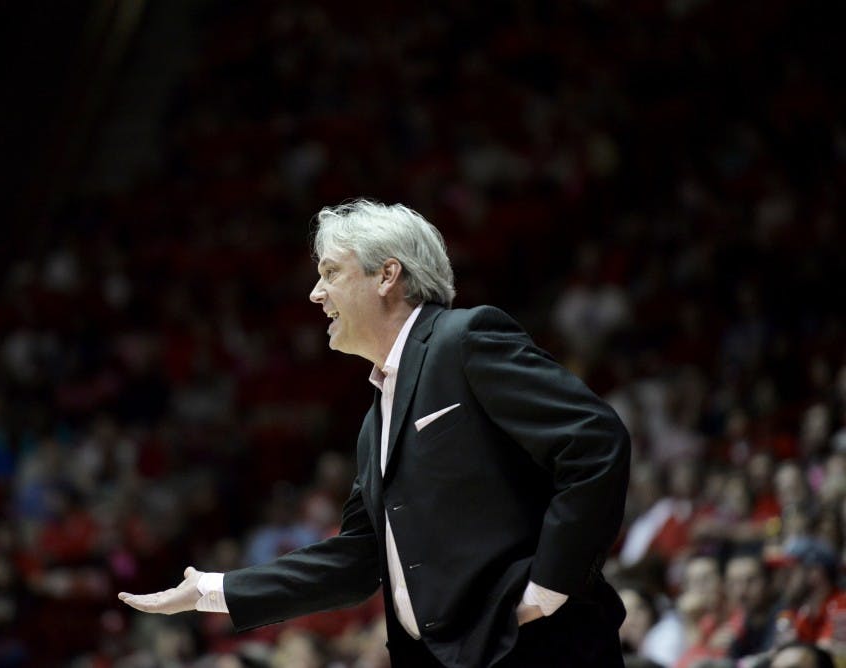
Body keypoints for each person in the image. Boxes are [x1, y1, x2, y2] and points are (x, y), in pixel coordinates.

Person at [119, 200, 631, 667]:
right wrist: (214, 588)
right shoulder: (375, 418)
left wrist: (547, 589)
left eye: (330, 272)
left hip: (536, 648)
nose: (316, 293)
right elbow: (359, 558)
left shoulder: (463, 339)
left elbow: (594, 441)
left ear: (387, 275)